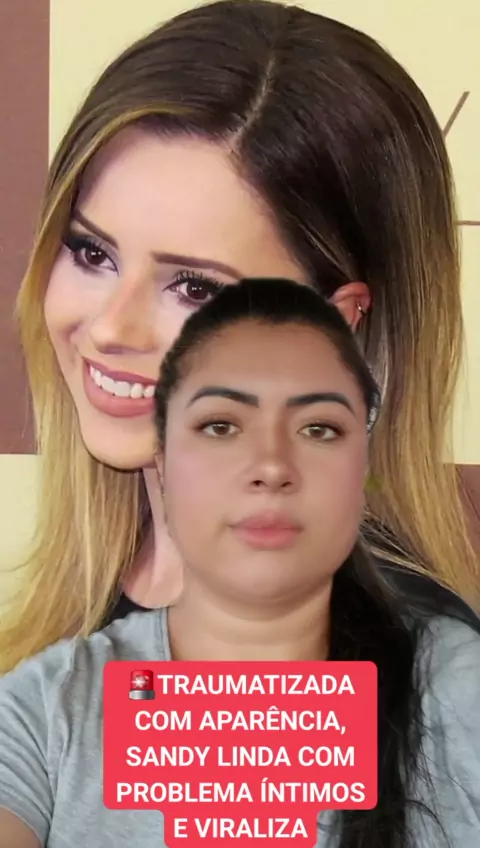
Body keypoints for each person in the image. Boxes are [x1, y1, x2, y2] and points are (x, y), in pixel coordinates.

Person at [1, 0, 478, 673]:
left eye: (196, 288)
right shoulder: (97, 597)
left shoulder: (398, 674)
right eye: (92, 253)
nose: (109, 328)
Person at [0, 279, 478, 848]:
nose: (271, 466)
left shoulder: (456, 686)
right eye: (221, 426)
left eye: (318, 428)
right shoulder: (44, 710)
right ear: (164, 463)